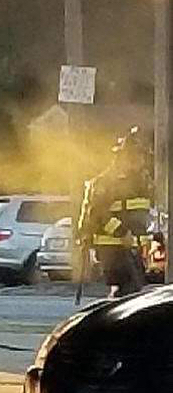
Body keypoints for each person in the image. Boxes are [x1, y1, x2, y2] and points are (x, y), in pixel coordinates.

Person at [78, 127, 150, 298]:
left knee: (135, 291)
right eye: (136, 156)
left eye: (142, 156)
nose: (140, 161)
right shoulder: (107, 183)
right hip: (112, 247)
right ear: (124, 157)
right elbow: (99, 213)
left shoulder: (139, 181)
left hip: (132, 246)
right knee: (127, 289)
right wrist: (122, 233)